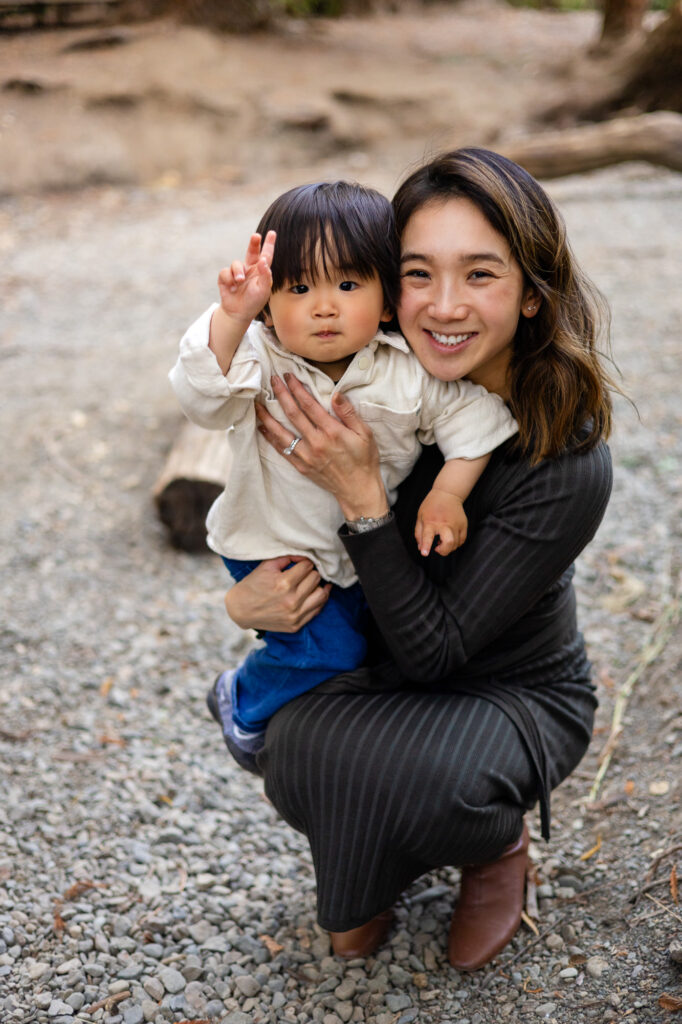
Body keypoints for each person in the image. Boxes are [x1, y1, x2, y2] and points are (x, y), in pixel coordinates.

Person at [220, 148, 615, 970]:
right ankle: (372, 872)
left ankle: (492, 844)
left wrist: (365, 496)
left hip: (510, 690)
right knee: (294, 747)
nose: (442, 306)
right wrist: (242, 603)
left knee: (432, 779)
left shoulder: (569, 460)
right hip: (383, 651)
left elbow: (437, 653)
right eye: (417, 274)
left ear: (534, 295)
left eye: (480, 275)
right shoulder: (377, 377)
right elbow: (272, 508)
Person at [169, 181, 517, 765]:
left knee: (365, 651)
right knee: (327, 653)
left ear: (386, 301)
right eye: (299, 288)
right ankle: (242, 704)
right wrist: (231, 319)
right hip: (271, 546)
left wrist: (447, 494)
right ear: (270, 306)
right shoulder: (260, 357)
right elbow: (203, 399)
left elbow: (476, 421)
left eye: (348, 284)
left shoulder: (406, 373)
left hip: (357, 552)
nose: (323, 306)